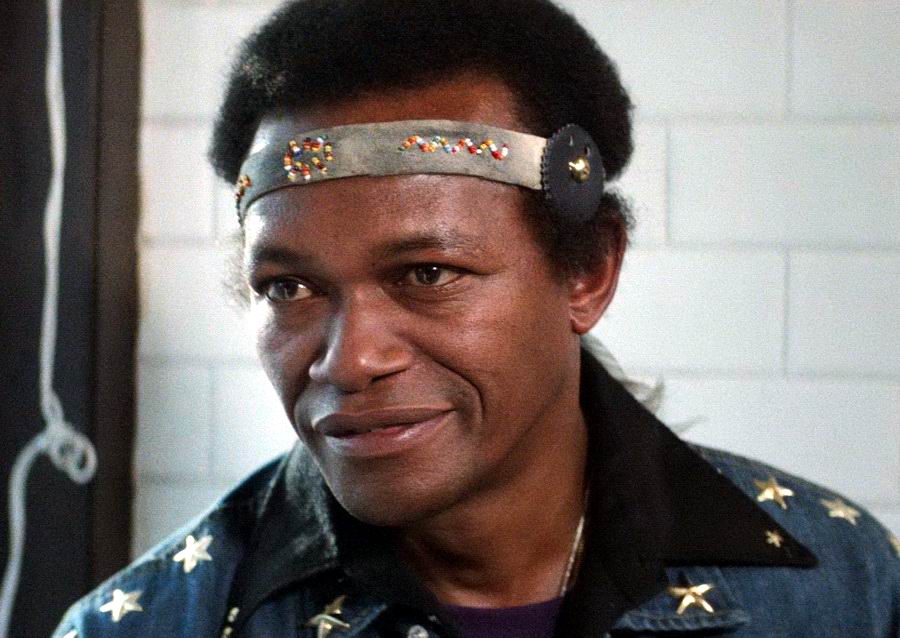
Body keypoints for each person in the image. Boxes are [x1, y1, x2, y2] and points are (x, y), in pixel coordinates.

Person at [55, 1, 899, 636]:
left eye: (428, 274)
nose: (349, 360)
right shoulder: (149, 621)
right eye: (289, 288)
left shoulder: (842, 587)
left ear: (588, 271)